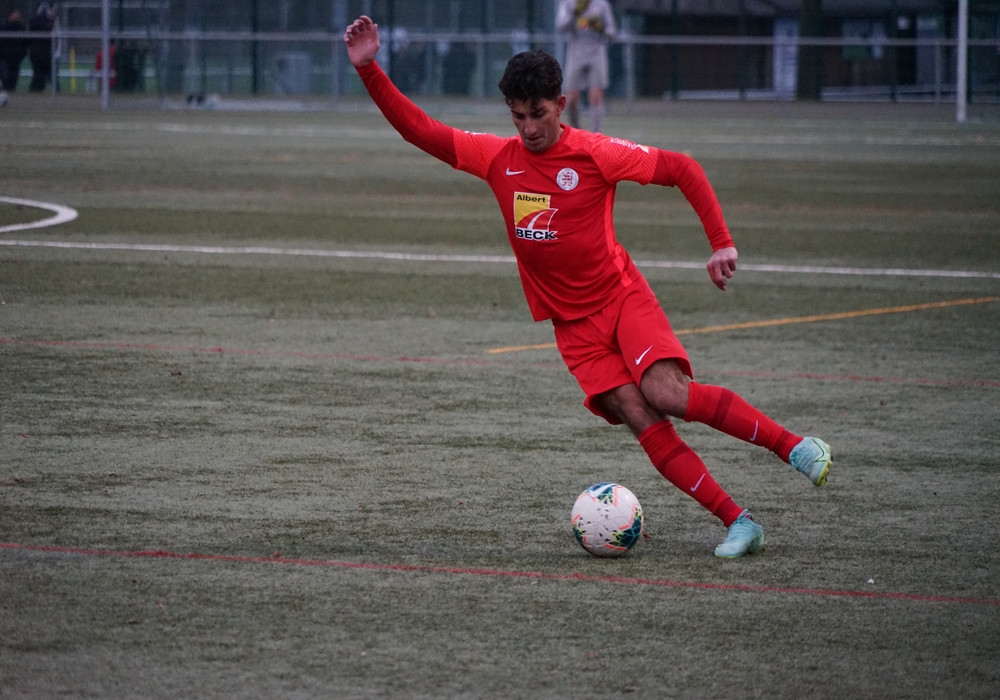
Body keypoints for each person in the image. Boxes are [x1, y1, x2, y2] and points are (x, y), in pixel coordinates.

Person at [343, 15, 833, 558]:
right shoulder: (496, 158)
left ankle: (795, 446)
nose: (528, 128)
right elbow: (419, 129)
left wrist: (721, 242)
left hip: (620, 298)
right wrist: (369, 69)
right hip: (573, 328)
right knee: (639, 414)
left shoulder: (596, 152)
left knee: (666, 394)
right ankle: (739, 522)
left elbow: (682, 168)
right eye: (518, 116)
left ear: (561, 104)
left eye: (538, 114)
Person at [555, 0, 616, 133]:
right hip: (576, 53)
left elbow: (612, 31)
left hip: (597, 53)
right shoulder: (568, 3)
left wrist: (600, 28)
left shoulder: (602, 5)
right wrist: (575, 13)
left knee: (595, 97)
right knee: (571, 100)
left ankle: (595, 135)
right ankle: (576, 131)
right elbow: (561, 26)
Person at [28, 2, 56, 93]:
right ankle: (37, 89)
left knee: (38, 72)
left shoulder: (33, 20)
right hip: (44, 51)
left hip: (35, 51)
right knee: (45, 72)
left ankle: (35, 89)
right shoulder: (48, 22)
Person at [0, 8, 27, 94]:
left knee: (14, 77)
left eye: (18, 16)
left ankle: (12, 92)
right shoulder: (3, 27)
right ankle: (4, 92)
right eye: (15, 15)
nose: (16, 17)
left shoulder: (21, 28)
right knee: (5, 76)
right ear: (10, 16)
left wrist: (22, 54)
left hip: (16, 57)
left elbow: (24, 43)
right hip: (4, 57)